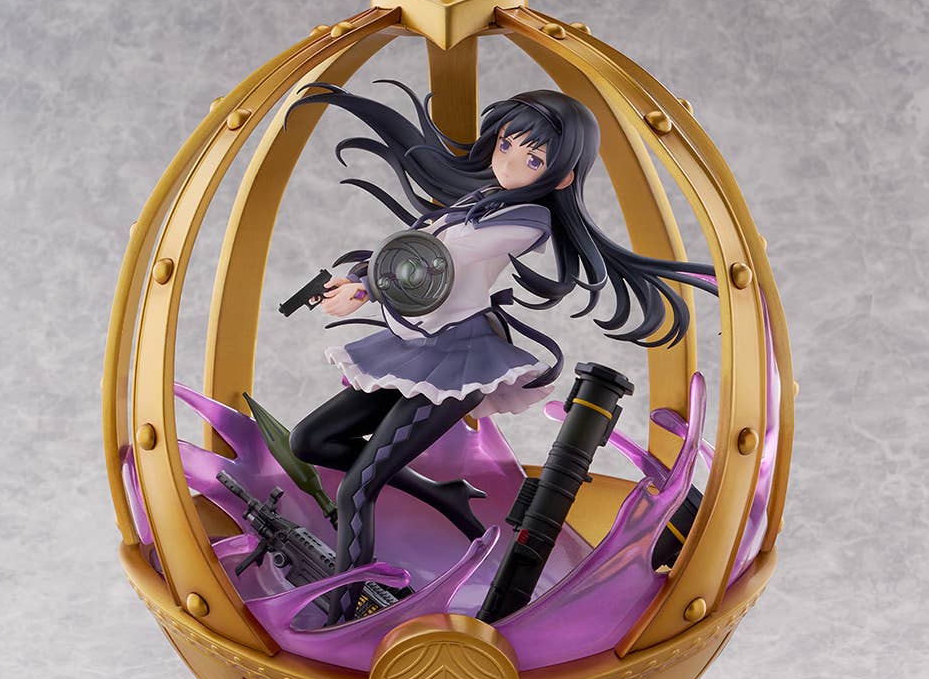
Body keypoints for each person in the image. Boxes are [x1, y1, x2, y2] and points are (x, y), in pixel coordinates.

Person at [285, 81, 714, 620]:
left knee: (357, 489)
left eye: (532, 159)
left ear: (561, 176)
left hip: (459, 360)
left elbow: (439, 258)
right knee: (311, 439)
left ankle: (346, 612)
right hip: (416, 348)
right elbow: (414, 239)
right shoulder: (477, 201)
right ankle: (441, 494)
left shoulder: (527, 220)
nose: (509, 162)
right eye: (506, 144)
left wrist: (368, 286)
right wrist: (354, 277)